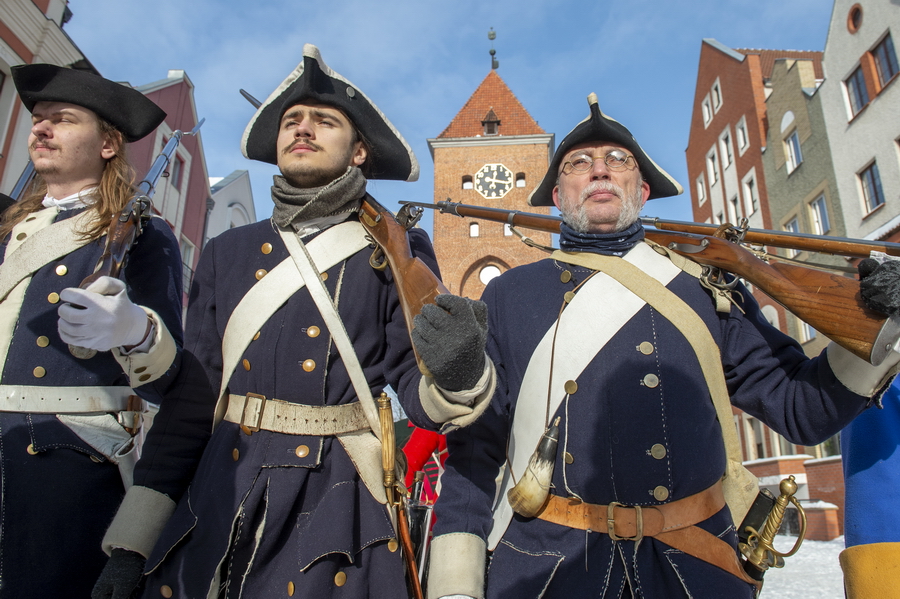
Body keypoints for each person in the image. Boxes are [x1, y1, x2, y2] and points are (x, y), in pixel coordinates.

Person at [424, 94, 900, 599]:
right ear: (558, 196)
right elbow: (475, 452)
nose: (599, 171)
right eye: (578, 164)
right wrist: (456, 585)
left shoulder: (707, 285)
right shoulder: (508, 295)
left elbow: (801, 409)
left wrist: (879, 327)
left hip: (697, 566)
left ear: (643, 190)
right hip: (547, 569)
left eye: (618, 161)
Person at [93, 44, 494, 599]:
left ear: (359, 153)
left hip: (338, 502)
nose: (302, 129)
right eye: (291, 121)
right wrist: (133, 543)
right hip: (222, 487)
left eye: (324, 121)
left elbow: (414, 385)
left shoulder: (393, 249)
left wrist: (458, 369)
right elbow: (192, 401)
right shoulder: (228, 252)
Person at [0, 64, 183, 597]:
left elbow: (168, 377)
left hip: (69, 461)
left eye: (62, 119)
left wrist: (133, 329)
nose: (41, 129)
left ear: (108, 144)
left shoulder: (145, 232)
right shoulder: (11, 233)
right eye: (38, 119)